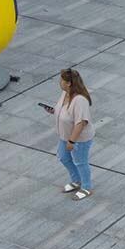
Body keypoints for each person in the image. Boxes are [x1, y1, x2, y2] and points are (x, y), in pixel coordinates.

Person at [43, 68, 94, 200]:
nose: (60, 82)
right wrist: (54, 111)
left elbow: (80, 123)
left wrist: (72, 141)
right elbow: (65, 113)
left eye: (62, 80)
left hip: (78, 139)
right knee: (63, 157)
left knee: (80, 162)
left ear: (69, 83)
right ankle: (77, 180)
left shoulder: (79, 100)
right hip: (64, 136)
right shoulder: (65, 94)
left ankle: (87, 187)